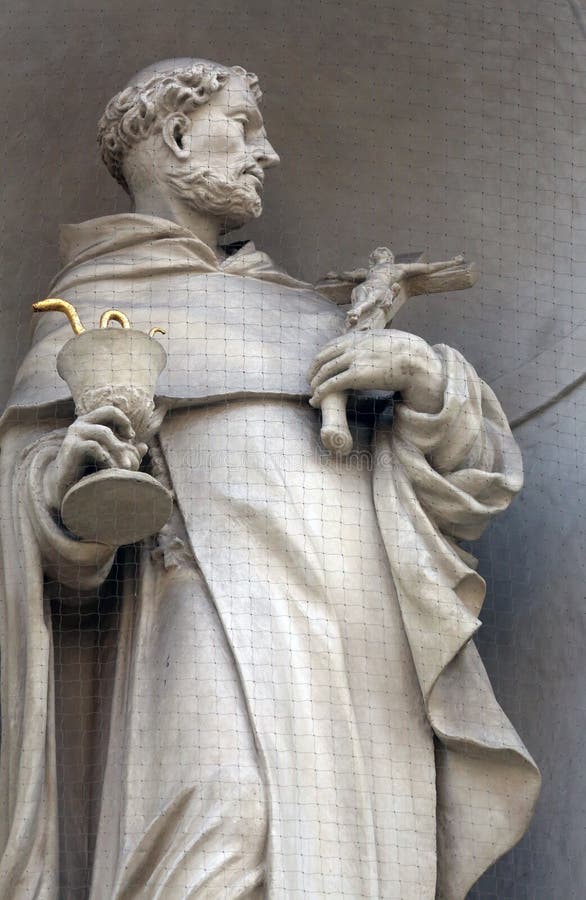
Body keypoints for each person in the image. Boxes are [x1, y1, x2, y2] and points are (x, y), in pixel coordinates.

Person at [0, 58, 540, 899]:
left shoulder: (309, 315)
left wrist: (426, 380)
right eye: (244, 126)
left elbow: (464, 494)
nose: (270, 152)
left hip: (354, 662)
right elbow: (33, 533)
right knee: (221, 833)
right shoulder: (100, 305)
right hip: (204, 624)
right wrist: (63, 495)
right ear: (178, 137)